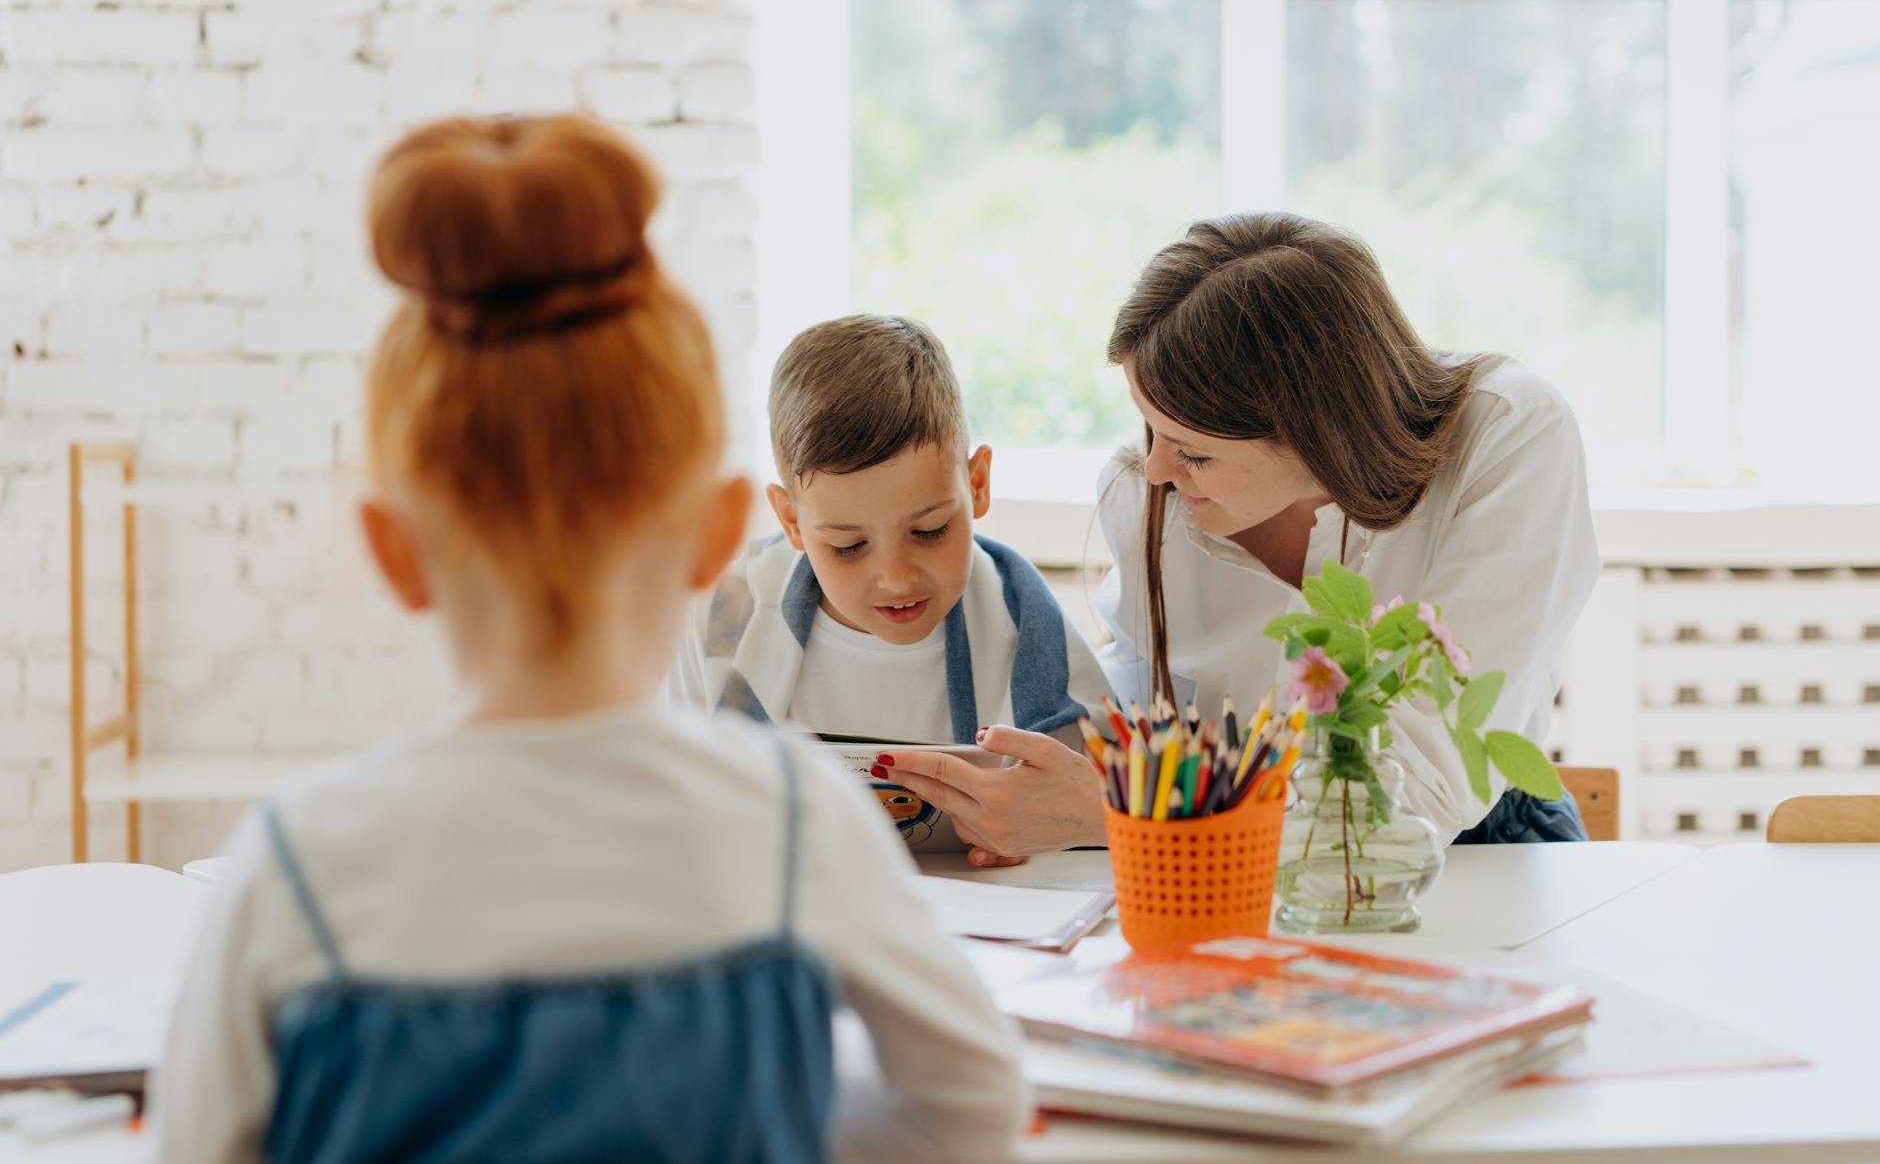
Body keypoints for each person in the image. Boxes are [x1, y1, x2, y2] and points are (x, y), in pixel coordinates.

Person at [152, 115, 1029, 1163]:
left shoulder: (291, 866)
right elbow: (970, 1107)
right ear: (719, 532)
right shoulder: (797, 824)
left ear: (394, 551)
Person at [876, 212, 1594, 855]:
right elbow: (1148, 708)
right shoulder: (1147, 493)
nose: (1156, 468)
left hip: (1478, 851)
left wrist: (1114, 811)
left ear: (1319, 431)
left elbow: (1413, 795)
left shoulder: (1509, 435)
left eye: (1194, 450)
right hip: (1221, 854)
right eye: (1149, 425)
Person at [667, 312, 1112, 761]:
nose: (897, 579)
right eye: (848, 546)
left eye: (929, 530)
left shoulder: (1027, 624)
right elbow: (678, 789)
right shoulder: (722, 615)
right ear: (791, 520)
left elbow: (1097, 799)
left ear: (977, 485)